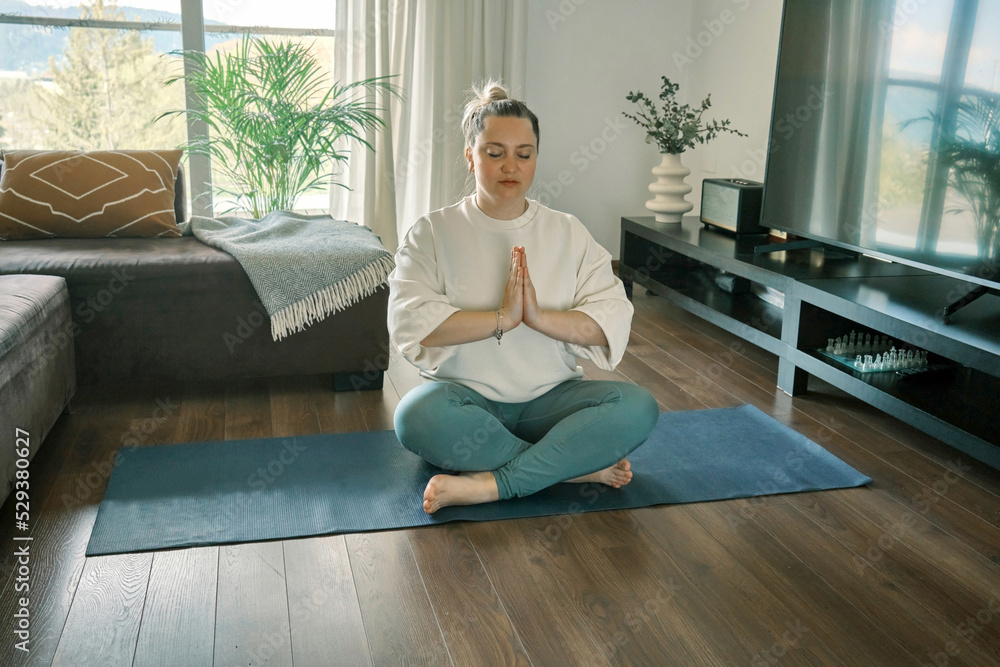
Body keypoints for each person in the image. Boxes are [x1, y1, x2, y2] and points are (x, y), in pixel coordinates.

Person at [387, 80, 659, 514]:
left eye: (524, 154)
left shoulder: (567, 231)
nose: (510, 166)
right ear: (470, 156)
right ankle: (569, 468)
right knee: (413, 415)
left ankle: (493, 483)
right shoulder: (433, 231)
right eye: (495, 153)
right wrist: (502, 318)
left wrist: (537, 317)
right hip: (464, 402)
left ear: (536, 158)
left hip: (550, 404)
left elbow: (610, 317)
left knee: (638, 407)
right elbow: (411, 323)